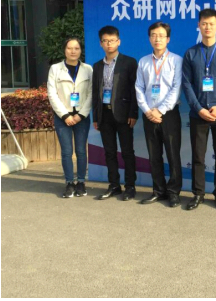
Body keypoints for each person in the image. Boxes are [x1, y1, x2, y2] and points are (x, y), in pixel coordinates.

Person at [182, 8, 216, 210]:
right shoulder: (191, 53)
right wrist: (198, 109)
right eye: (204, 23)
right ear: (199, 25)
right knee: (198, 156)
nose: (207, 27)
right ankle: (198, 193)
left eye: (211, 24)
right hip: (198, 114)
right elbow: (186, 84)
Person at [135, 22, 183, 207]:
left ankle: (173, 192)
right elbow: (139, 88)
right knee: (154, 155)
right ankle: (158, 190)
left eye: (161, 35)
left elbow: (176, 88)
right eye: (154, 35)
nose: (157, 39)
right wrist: (147, 110)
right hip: (149, 115)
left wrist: (160, 110)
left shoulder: (176, 60)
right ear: (149, 38)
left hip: (169, 114)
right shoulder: (143, 61)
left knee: (173, 154)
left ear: (168, 39)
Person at [92, 26, 139, 201]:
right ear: (101, 43)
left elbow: (135, 90)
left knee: (127, 152)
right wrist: (95, 117)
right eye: (105, 41)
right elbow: (95, 93)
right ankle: (114, 185)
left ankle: (130, 186)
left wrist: (133, 113)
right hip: (104, 115)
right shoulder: (97, 66)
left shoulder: (129, 62)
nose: (109, 44)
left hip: (124, 114)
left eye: (112, 40)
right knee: (109, 152)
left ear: (118, 41)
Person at [47, 37, 92, 198]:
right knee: (66, 152)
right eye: (69, 48)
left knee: (81, 151)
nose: (73, 51)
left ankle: (81, 182)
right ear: (64, 50)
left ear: (80, 50)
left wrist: (81, 115)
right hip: (62, 117)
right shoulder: (55, 69)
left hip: (81, 117)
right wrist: (65, 115)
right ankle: (69, 183)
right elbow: (52, 94)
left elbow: (91, 94)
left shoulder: (88, 69)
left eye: (76, 48)